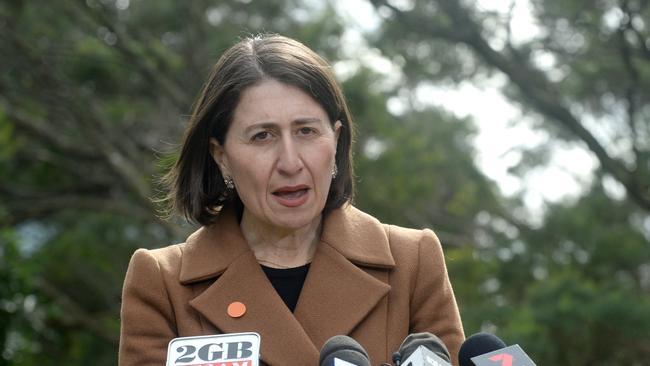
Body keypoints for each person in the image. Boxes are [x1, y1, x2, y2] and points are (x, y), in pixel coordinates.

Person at [119, 34, 464, 366]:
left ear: (336, 141)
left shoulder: (412, 262)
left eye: (306, 131)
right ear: (221, 156)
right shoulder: (163, 282)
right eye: (262, 136)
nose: (290, 162)